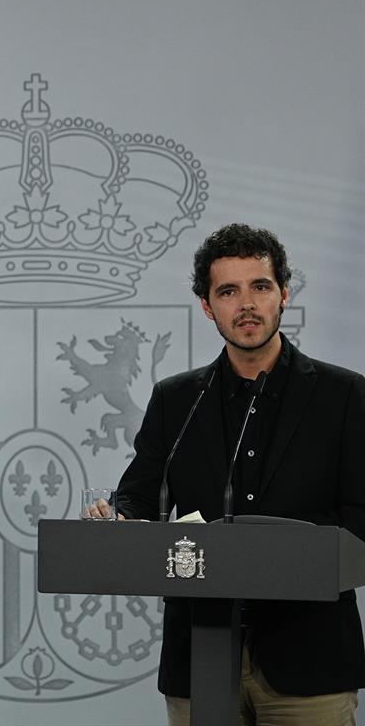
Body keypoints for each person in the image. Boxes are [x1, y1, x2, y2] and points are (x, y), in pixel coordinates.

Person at [110, 224, 365, 725]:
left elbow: (362, 521)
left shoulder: (345, 397)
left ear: (284, 295)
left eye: (260, 287)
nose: (246, 304)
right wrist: (118, 516)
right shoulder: (176, 401)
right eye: (228, 291)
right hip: (199, 658)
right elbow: (138, 496)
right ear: (208, 306)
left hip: (308, 658)